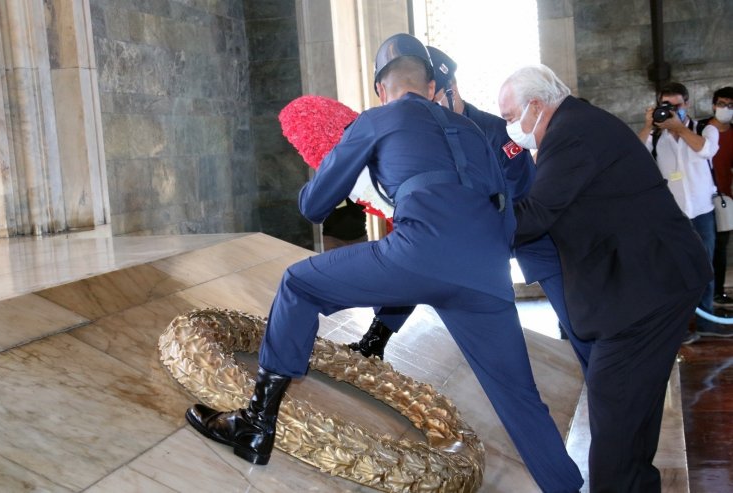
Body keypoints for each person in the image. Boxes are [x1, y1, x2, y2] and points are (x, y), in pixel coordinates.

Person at [185, 34, 584, 492]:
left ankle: (255, 425)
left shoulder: (379, 119)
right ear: (433, 86)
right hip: (488, 276)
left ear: (380, 89)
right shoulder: (476, 133)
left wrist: (351, 166)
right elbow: (504, 207)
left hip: (417, 255)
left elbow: (315, 206)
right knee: (521, 400)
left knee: (298, 284)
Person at [498, 64, 711, 493]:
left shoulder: (571, 133)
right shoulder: (578, 124)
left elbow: (536, 215)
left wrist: (466, 220)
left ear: (536, 106)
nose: (510, 130)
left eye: (509, 117)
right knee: (631, 412)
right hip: (646, 281)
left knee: (614, 409)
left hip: (648, 288)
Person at [349, 46, 592, 374]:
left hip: (523, 229)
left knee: (570, 306)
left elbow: (523, 192)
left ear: (448, 90)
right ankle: (376, 339)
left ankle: (592, 361)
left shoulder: (499, 133)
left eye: (429, 99)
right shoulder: (422, 134)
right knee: (414, 256)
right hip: (459, 235)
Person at [637, 82, 720, 343]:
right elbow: (635, 155)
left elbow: (706, 150)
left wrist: (680, 129)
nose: (672, 110)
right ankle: (679, 326)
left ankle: (707, 321)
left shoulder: (705, 129)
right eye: (666, 106)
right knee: (673, 271)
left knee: (705, 267)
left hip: (702, 210)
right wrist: (650, 125)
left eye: (677, 105)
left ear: (687, 104)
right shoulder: (657, 136)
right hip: (671, 215)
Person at [703, 87, 733, 313]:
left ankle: (718, 292)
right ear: (713, 105)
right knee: (705, 247)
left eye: (730, 105)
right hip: (701, 199)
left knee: (721, 246)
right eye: (722, 103)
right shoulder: (701, 129)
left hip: (724, 198)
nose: (725, 109)